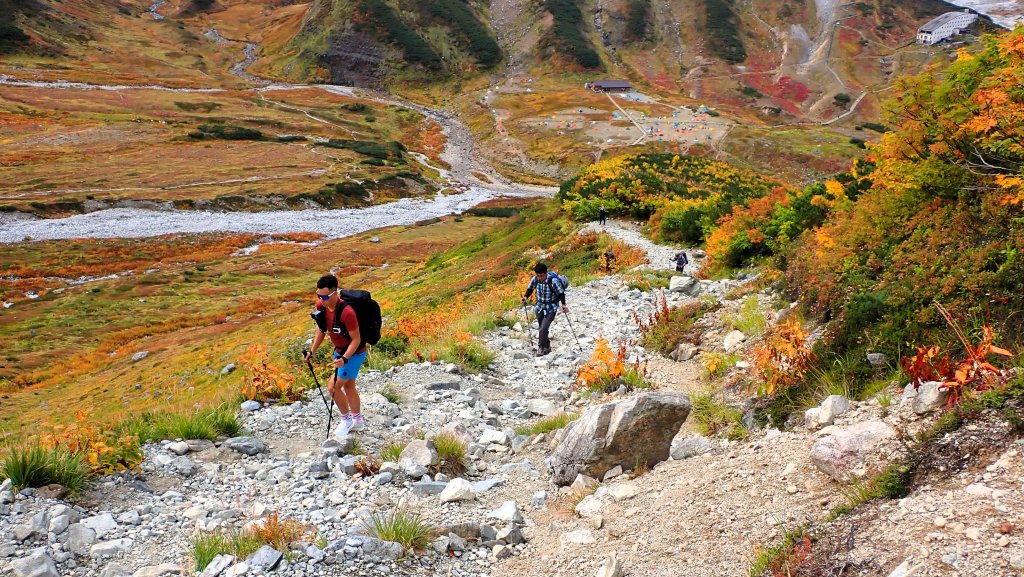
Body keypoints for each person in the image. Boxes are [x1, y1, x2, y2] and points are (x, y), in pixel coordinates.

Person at [304, 274, 368, 439]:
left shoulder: (347, 312)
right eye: (318, 296)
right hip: (340, 352)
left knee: (333, 387)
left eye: (324, 296)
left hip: (354, 354)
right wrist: (312, 351)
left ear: (335, 294)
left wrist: (345, 358)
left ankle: (346, 420)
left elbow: (356, 340)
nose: (321, 300)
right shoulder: (322, 306)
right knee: (349, 386)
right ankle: (357, 420)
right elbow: (321, 329)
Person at [520, 262, 569, 356]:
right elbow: (530, 289)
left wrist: (563, 304)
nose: (540, 278)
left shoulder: (553, 281)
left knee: (543, 329)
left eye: (541, 276)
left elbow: (561, 293)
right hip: (539, 307)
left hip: (551, 307)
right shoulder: (535, 279)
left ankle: (541, 348)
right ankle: (547, 346)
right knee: (542, 327)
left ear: (545, 273)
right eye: (538, 276)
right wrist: (525, 297)